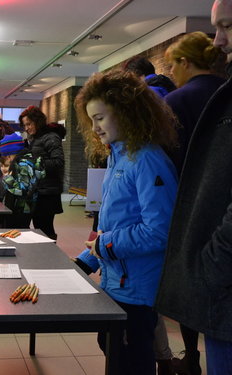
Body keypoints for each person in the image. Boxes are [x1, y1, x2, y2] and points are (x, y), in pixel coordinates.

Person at [74, 70, 178, 375]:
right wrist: (85, 261)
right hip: (117, 279)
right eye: (91, 119)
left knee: (131, 358)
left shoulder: (147, 159)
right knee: (112, 347)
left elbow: (160, 230)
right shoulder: (119, 156)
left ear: (127, 113)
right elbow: (116, 223)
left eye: (101, 118)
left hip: (137, 285)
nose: (94, 128)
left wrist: (104, 245)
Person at [156, 2, 232, 374]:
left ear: (185, 63)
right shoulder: (222, 90)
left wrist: (208, 264)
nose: (219, 40)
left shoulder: (177, 101)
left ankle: (189, 353)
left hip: (205, 239)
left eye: (227, 26)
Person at [165, 31, 225, 175]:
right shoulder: (226, 89)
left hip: (192, 183)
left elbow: (172, 155)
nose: (171, 71)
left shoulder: (175, 100)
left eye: (172, 65)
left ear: (184, 63)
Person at [19, 106, 65, 240]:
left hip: (48, 192)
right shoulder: (35, 138)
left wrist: (34, 163)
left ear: (37, 121)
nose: (26, 128)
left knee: (45, 228)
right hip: (38, 190)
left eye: (28, 124)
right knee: (39, 226)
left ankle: (50, 256)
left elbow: (58, 162)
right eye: (24, 125)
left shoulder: (51, 137)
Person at [0, 132, 45, 229]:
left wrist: (7, 179)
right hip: (24, 207)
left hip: (22, 208)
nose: (7, 159)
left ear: (13, 152)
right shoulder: (25, 160)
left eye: (8, 155)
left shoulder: (24, 164)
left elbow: (24, 190)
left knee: (18, 231)